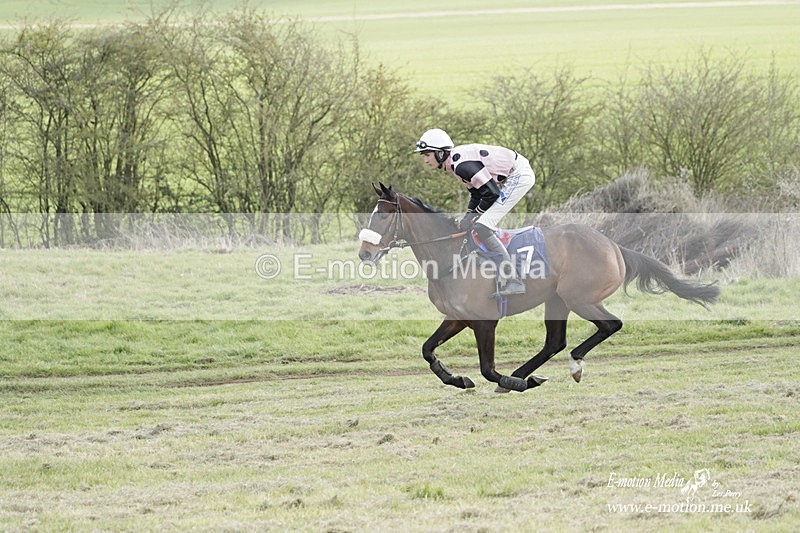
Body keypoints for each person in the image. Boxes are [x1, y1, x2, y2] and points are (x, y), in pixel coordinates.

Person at [414, 128, 535, 296]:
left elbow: (491, 193)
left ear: (441, 153)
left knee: (483, 226)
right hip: (508, 177)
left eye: (427, 154)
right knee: (474, 223)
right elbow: (476, 193)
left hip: (518, 175)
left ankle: (513, 280)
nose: (426, 160)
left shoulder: (461, 165)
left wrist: (474, 216)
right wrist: (468, 217)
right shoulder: (454, 165)